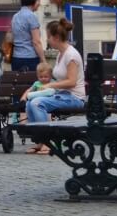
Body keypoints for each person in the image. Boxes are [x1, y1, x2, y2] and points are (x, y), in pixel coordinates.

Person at [23, 18, 85, 153]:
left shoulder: (71, 55)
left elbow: (72, 82)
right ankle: (40, 141)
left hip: (74, 97)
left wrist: (51, 86)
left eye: (48, 36)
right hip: (63, 95)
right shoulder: (61, 55)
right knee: (29, 103)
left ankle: (49, 142)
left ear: (56, 37)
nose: (47, 40)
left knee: (37, 103)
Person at [10, 0, 45, 73]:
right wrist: (43, 60)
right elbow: (36, 42)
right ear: (32, 2)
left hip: (16, 58)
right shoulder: (31, 16)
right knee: (32, 84)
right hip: (30, 58)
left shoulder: (15, 16)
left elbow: (11, 36)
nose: (39, 3)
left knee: (18, 84)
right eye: (38, 1)